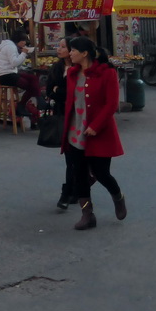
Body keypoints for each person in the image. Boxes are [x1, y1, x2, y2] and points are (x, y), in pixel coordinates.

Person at [63, 37, 126, 230]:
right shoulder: (72, 73)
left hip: (98, 133)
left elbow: (111, 104)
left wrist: (96, 126)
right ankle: (87, 215)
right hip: (75, 132)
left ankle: (118, 197)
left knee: (101, 173)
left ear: (84, 53)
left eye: (73, 50)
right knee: (79, 175)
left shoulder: (107, 73)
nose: (70, 53)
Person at [47, 37, 76, 210]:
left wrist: (60, 90)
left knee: (76, 157)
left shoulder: (79, 69)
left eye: (64, 47)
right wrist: (59, 91)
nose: (59, 49)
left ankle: (70, 192)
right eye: (59, 46)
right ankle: (70, 192)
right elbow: (51, 90)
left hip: (78, 116)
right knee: (70, 157)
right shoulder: (57, 68)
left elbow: (71, 92)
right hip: (62, 114)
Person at [0, 30, 45, 117]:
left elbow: (16, 64)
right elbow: (15, 63)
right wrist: (24, 53)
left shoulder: (12, 46)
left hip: (11, 73)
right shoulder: (10, 47)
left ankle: (38, 100)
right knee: (30, 86)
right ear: (19, 40)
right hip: (6, 76)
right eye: (24, 41)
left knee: (33, 78)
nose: (24, 43)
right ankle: (23, 105)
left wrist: (22, 54)